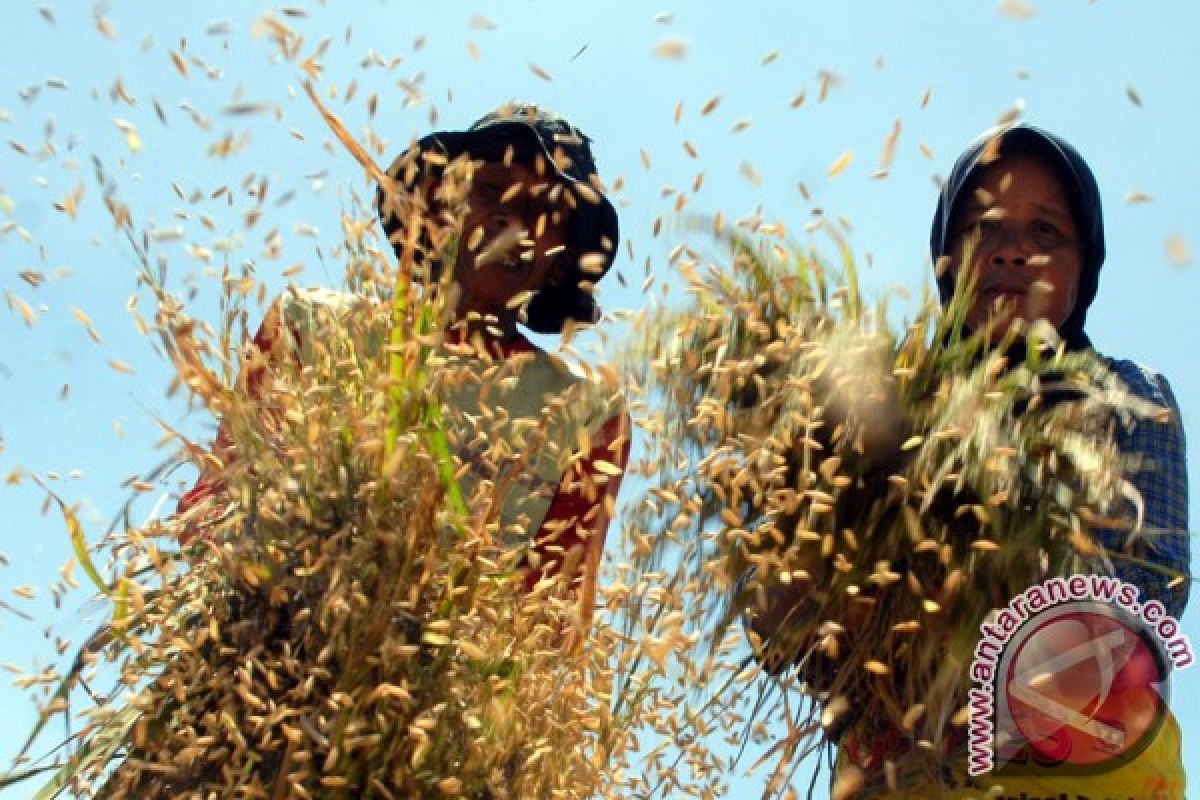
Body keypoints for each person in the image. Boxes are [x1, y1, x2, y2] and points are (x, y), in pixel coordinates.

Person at [751, 123, 1190, 797]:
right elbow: (786, 628)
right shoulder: (883, 408)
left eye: (1046, 233)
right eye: (984, 228)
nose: (1012, 252)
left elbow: (1144, 591)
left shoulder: (1131, 400)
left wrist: (965, 610)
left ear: (1086, 264)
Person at [178, 103, 630, 635]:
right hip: (272, 659)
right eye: (493, 191)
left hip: (449, 699)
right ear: (443, 207)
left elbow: (551, 618)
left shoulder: (587, 415)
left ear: (560, 256)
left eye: (543, 210)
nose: (515, 221)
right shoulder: (312, 328)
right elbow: (217, 504)